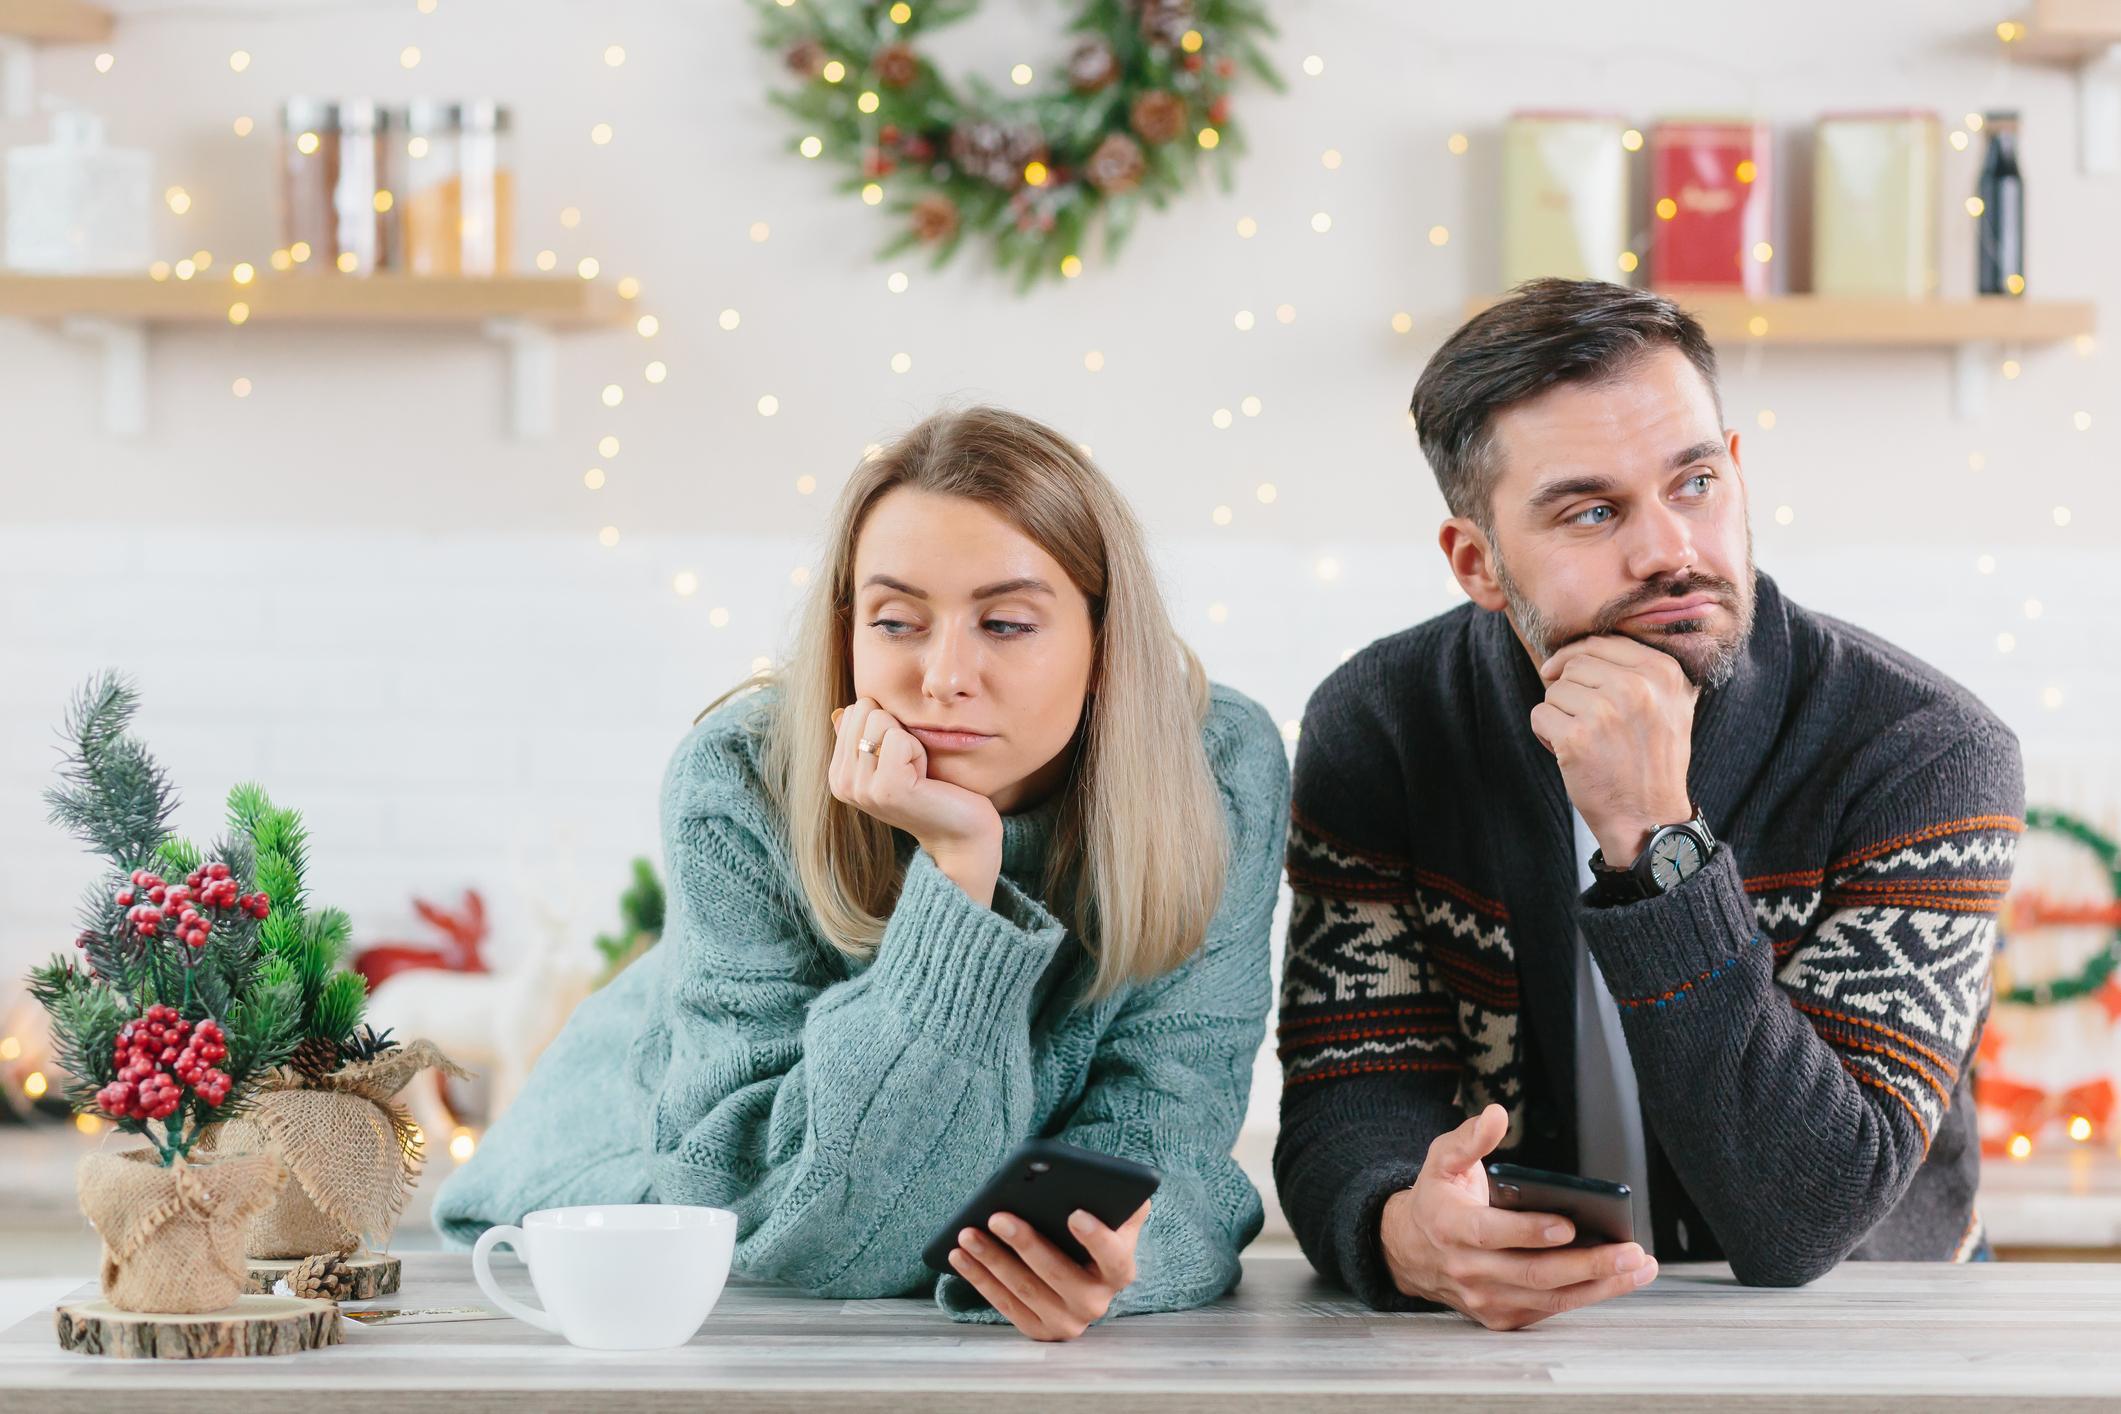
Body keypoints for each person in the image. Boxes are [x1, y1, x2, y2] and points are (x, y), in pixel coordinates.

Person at [434, 405, 1289, 1341]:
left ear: (1105, 638)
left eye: (1005, 623)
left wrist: (1108, 1260)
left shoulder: (1217, 769)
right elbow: (819, 1225)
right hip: (646, 1195)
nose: (944, 676)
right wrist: (960, 866)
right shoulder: (739, 778)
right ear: (847, 631)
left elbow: (1175, 1125)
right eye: (895, 621)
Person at [1274, 278, 2024, 1331]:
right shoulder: (1386, 727)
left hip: (1874, 1338)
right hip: (1521, 1340)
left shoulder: (1921, 753)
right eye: (1592, 510)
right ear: (1476, 561)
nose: (1670, 548)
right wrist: (1405, 1230)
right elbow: (1347, 1107)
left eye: (1695, 482)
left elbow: (1807, 1218)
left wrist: (1655, 838)